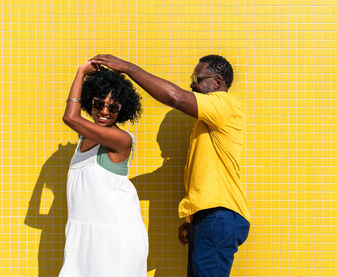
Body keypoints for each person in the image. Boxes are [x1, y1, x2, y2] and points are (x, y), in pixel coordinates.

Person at [90, 54, 251, 277]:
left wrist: (127, 67)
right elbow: (204, 175)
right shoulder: (209, 123)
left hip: (219, 216)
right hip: (209, 218)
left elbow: (176, 97)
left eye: (197, 78)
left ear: (217, 82)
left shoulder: (225, 104)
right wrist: (191, 220)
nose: (192, 84)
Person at [59, 61, 148, 277]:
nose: (104, 111)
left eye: (113, 107)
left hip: (115, 237)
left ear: (122, 109)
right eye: (98, 103)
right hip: (82, 236)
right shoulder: (85, 138)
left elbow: (70, 117)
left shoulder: (121, 139)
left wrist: (81, 72)